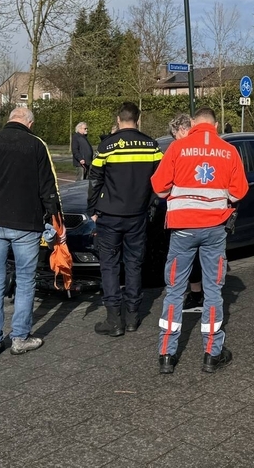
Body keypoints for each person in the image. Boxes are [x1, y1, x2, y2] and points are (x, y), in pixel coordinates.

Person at [151, 106, 249, 374]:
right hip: (215, 229)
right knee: (214, 291)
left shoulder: (177, 148)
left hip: (182, 230)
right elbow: (239, 192)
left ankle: (167, 356)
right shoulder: (228, 151)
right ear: (215, 125)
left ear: (193, 123)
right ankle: (211, 354)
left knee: (174, 290)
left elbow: (159, 188)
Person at [0, 106, 62, 359]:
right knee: (26, 281)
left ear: (9, 120)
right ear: (29, 124)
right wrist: (54, 220)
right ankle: (20, 338)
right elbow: (48, 187)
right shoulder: (36, 145)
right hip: (26, 225)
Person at [88, 102, 162, 336]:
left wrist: (92, 208)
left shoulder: (107, 146)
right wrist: (148, 203)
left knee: (109, 266)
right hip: (137, 215)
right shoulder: (151, 145)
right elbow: (159, 181)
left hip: (110, 215)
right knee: (133, 264)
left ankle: (114, 319)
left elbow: (95, 180)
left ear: (119, 120)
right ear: (137, 120)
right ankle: (132, 317)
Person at [166, 114, 204, 313]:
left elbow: (162, 184)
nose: (175, 140)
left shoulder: (181, 150)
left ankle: (194, 295)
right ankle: (202, 295)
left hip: (187, 215)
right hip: (211, 215)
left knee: (185, 257)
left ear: (182, 130)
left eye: (175, 135)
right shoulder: (210, 147)